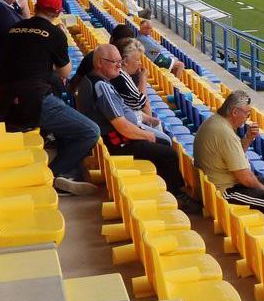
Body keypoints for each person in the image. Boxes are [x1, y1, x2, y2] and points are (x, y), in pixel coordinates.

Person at [0, 0, 100, 195]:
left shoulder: (14, 28)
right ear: (58, 12)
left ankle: (67, 171)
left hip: (5, 100)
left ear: (36, 7)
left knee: (65, 109)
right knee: (90, 131)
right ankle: (51, 175)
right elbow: (65, 71)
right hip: (33, 103)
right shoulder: (54, 34)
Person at [73, 42, 190, 205]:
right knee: (168, 152)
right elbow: (123, 126)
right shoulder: (101, 86)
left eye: (120, 61)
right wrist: (147, 135)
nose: (119, 66)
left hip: (113, 139)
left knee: (162, 144)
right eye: (114, 62)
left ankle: (168, 190)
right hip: (118, 144)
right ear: (100, 63)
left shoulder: (92, 80)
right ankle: (175, 196)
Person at [193, 91, 264, 232]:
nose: (247, 119)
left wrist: (248, 138)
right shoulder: (225, 133)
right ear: (235, 112)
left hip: (216, 184)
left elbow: (232, 157)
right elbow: (244, 178)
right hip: (225, 191)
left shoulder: (216, 122)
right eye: (247, 114)